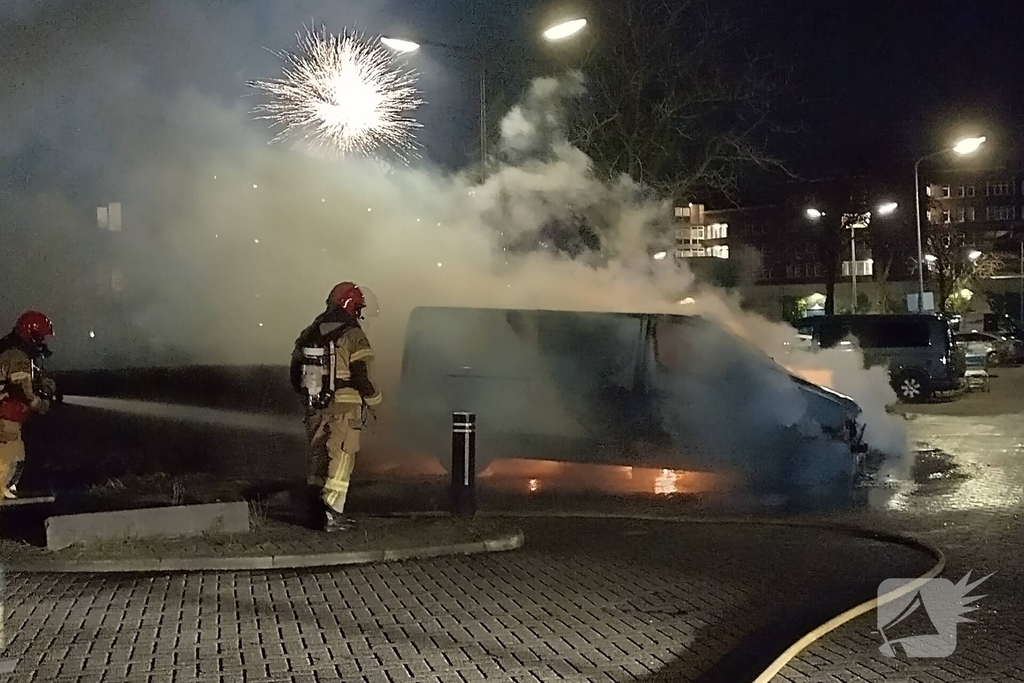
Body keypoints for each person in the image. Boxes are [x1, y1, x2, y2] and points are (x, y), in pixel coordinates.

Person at [291, 282, 382, 532]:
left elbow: (294, 375)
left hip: (315, 406)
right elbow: (361, 376)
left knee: (318, 456)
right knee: (342, 456)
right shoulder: (353, 335)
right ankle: (332, 513)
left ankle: (314, 511)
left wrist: (310, 398)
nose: (359, 314)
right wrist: (376, 401)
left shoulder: (309, 332)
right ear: (350, 305)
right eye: (359, 308)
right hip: (345, 409)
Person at [0, 311, 56, 500]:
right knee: (13, 454)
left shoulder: (13, 351)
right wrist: (41, 402)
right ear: (30, 334)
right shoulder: (17, 356)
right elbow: (22, 392)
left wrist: (40, 383)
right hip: (4, 417)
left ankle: (5, 491)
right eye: (40, 337)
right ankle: (2, 491)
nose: (42, 342)